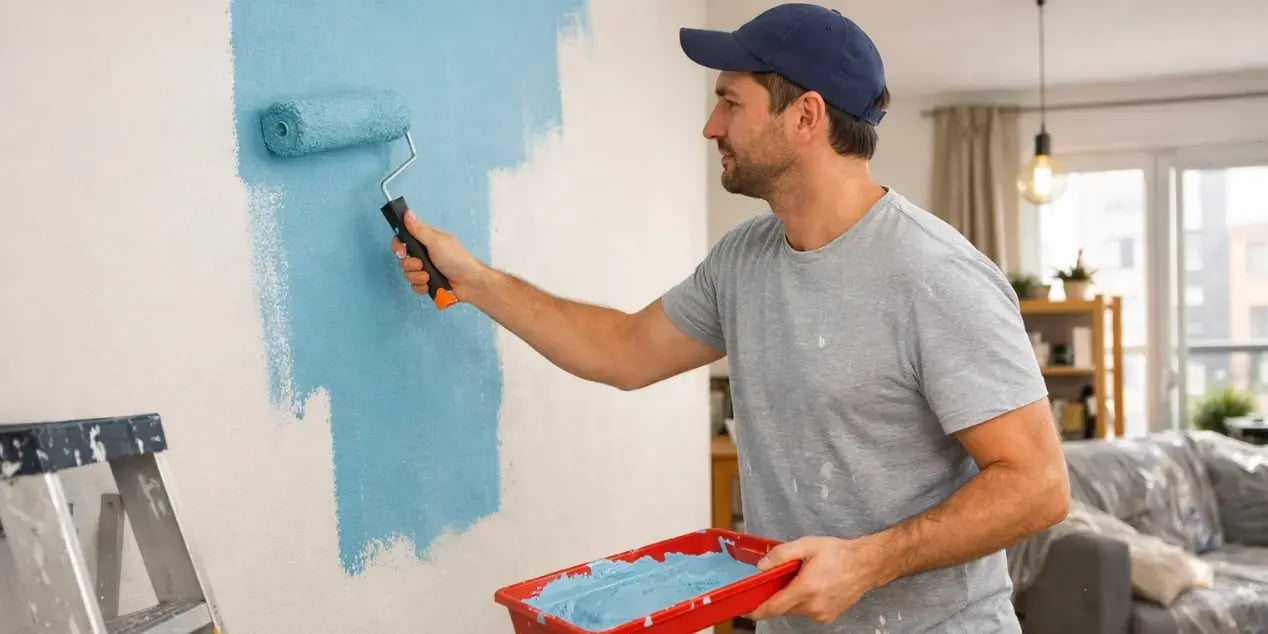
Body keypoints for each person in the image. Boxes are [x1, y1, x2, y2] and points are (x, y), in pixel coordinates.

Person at [392, 3, 1070, 632]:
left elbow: (1037, 486)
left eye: (729, 102)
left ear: (806, 117)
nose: (711, 126)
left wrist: (869, 561)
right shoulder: (745, 259)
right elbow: (623, 350)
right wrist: (476, 281)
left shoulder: (934, 276)